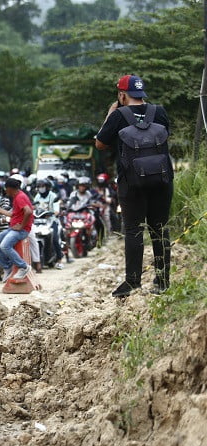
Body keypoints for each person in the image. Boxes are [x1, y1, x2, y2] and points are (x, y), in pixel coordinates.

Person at [95, 74, 173, 297]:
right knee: (159, 229)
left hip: (132, 183)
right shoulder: (159, 111)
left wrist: (111, 114)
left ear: (121, 95)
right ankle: (163, 282)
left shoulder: (118, 115)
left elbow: (100, 143)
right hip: (162, 180)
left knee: (133, 230)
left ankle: (133, 282)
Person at [0, 176, 34, 280]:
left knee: (5, 246)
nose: (5, 190)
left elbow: (28, 211)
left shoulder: (20, 197)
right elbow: (13, 214)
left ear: (10, 188)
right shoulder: (16, 197)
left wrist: (22, 226)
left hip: (22, 230)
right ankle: (7, 267)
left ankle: (23, 267)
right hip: (13, 228)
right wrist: (1, 210)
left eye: (6, 188)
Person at [33, 177, 64, 269]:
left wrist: (53, 212)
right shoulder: (37, 196)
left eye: (43, 186)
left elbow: (56, 210)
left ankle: (59, 260)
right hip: (39, 221)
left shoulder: (53, 196)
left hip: (51, 221)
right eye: (39, 186)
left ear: (47, 187)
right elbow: (35, 206)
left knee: (54, 238)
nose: (41, 188)